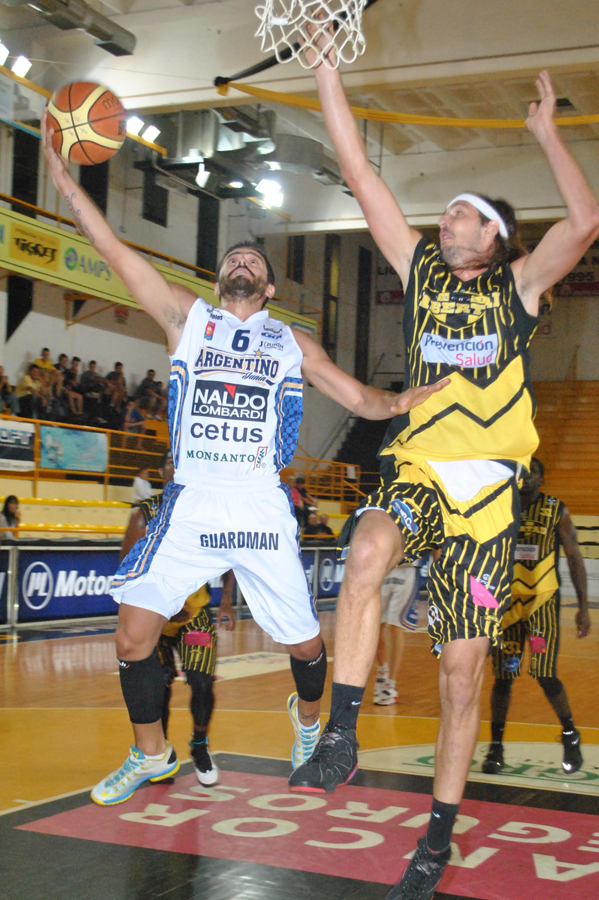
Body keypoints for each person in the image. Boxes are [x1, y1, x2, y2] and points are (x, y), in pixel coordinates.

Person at [41, 106, 447, 807]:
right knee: (133, 637)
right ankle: (151, 754)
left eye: (253, 262)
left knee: (305, 648)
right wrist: (62, 177)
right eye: (233, 258)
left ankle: (308, 721)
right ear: (218, 279)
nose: (241, 262)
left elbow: (359, 398)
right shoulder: (186, 319)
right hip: (193, 501)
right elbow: (111, 248)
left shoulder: (290, 341)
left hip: (260, 503)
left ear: (268, 290)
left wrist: (404, 400)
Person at [291, 48, 599, 900]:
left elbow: (582, 222)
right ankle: (340, 733)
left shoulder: (519, 290)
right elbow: (359, 172)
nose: (447, 218)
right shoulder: (421, 273)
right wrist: (325, 71)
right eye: (448, 210)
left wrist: (546, 134)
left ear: (492, 236)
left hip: (489, 500)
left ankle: (434, 840)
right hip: (420, 469)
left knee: (461, 678)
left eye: (463, 212)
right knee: (364, 553)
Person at [117, 450, 236, 788]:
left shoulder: (206, 512)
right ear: (161, 471)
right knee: (157, 687)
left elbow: (228, 558)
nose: (176, 466)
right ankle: (160, 754)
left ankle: (199, 744)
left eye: (181, 460)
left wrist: (227, 601)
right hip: (155, 617)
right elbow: (127, 566)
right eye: (170, 461)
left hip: (193, 616)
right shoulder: (144, 514)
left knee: (202, 682)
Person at [483, 456, 590, 777]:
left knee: (545, 675)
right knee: (502, 678)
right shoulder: (501, 507)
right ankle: (496, 746)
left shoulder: (556, 510)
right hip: (507, 605)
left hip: (543, 602)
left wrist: (583, 607)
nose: (527, 478)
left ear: (542, 479)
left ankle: (570, 733)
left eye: (533, 473)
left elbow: (574, 557)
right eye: (522, 472)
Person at [374, 562, 421, 706]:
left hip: (407, 568)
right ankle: (382, 673)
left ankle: (390, 684)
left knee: (395, 626)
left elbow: (435, 549)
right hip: (384, 567)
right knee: (375, 625)